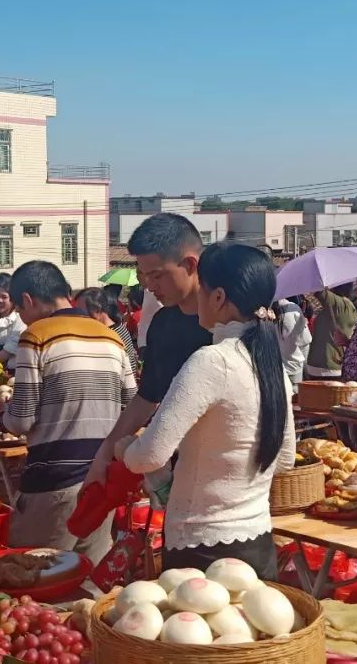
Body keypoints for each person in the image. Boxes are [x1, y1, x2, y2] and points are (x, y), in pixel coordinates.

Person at [122, 243, 294, 579]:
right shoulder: (273, 366)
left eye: (201, 288)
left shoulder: (212, 361)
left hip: (202, 547)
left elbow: (149, 456)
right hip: (257, 540)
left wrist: (124, 448)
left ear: (217, 298)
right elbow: (284, 459)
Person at [0, 261, 136, 563]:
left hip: (54, 484)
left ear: (28, 301)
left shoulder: (36, 336)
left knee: (38, 578)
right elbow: (133, 406)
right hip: (101, 481)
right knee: (87, 583)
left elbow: (22, 419)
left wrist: (2, 415)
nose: (21, 318)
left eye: (20, 311)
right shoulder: (111, 338)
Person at [85, 214, 211, 489]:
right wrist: (104, 455)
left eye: (156, 275)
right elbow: (148, 397)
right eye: (143, 276)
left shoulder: (226, 326)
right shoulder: (163, 323)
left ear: (190, 264)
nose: (149, 287)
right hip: (177, 472)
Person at [76, 287, 139, 371]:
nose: (77, 316)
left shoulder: (110, 336)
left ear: (97, 310)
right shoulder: (116, 329)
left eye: (80, 311)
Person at [306, 285, 357, 378]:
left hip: (326, 367)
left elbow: (317, 290)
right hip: (327, 366)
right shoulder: (344, 306)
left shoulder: (339, 304)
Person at [0, 273, 27, 369]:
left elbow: (8, 351)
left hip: (12, 374)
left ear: (12, 299)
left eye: (4, 297)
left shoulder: (20, 319)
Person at [274, 296, 311, 392]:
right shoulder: (292, 308)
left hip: (272, 370)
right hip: (293, 367)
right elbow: (305, 341)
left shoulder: (260, 311)